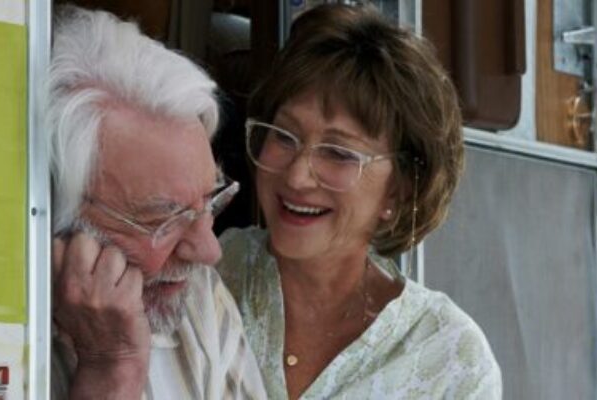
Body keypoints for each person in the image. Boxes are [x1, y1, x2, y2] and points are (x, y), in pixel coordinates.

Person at [217, 4, 501, 399]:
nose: (297, 176)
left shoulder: (449, 357)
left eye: (339, 153)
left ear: (400, 188)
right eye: (284, 136)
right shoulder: (207, 274)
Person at [47, 7, 266, 399]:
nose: (210, 251)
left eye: (208, 201)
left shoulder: (198, 300)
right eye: (165, 220)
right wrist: (112, 371)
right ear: (54, 212)